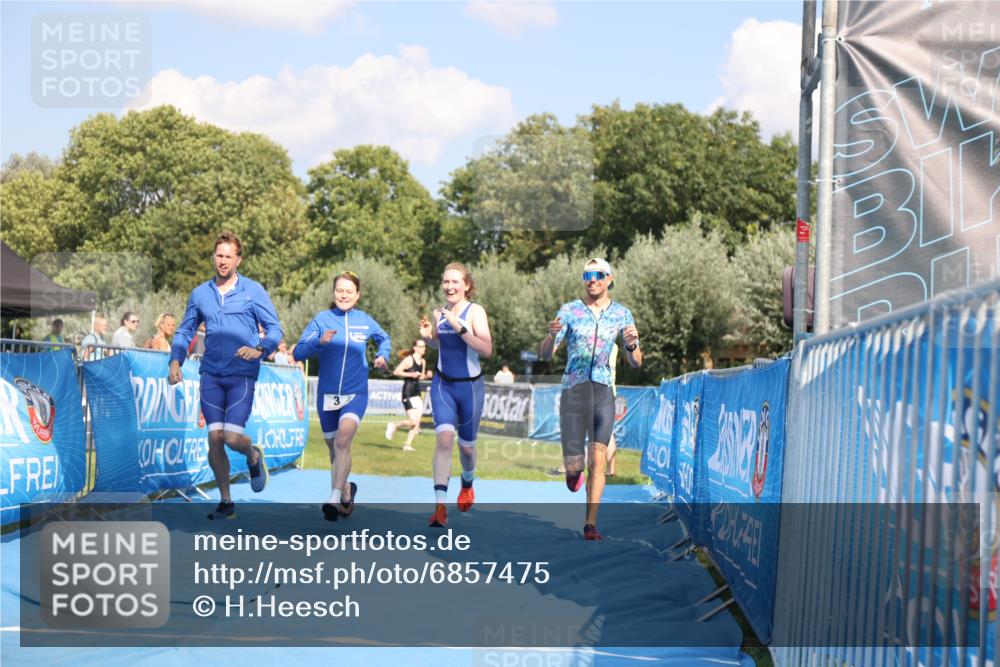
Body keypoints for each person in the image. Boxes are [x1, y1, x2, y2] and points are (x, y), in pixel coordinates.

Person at [168, 231, 282, 520]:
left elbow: (275, 329)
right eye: (219, 255)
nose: (222, 261)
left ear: (238, 259)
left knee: (232, 438)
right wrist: (175, 360)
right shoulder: (200, 294)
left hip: (242, 374)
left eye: (228, 256)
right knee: (215, 438)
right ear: (213, 257)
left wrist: (260, 348)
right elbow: (185, 330)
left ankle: (253, 455)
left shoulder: (253, 291)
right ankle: (226, 501)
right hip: (211, 374)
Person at [539, 258, 642, 541]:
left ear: (610, 279)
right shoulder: (570, 310)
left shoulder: (622, 313)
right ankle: (573, 473)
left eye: (598, 275)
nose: (592, 279)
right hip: (573, 390)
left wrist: (632, 346)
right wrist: (550, 338)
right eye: (587, 275)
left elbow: (636, 362)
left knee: (597, 460)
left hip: (603, 392)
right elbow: (545, 355)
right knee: (575, 464)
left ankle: (590, 524)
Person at [294, 270, 390, 521]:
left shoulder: (365, 320)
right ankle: (347, 490)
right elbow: (298, 352)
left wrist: (383, 356)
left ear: (357, 295)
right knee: (333, 451)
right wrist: (319, 343)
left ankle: (334, 497)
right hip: (326, 395)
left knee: (343, 441)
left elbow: (384, 338)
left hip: (355, 393)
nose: (344, 294)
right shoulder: (322, 320)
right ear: (334, 292)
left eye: (349, 291)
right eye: (340, 290)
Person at [419, 262, 492, 527]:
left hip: (470, 387)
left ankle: (468, 482)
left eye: (455, 282)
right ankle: (440, 506)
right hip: (443, 385)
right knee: (444, 440)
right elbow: (441, 344)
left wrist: (460, 327)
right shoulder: (440, 313)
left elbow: (486, 349)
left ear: (467, 285)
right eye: (445, 282)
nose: (449, 287)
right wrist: (428, 337)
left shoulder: (476, 312)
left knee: (467, 447)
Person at [386, 339, 432, 451]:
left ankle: (407, 445)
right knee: (413, 421)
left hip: (417, 392)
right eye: (421, 346)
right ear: (415, 348)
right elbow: (396, 372)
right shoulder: (408, 360)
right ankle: (394, 425)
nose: (424, 348)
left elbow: (420, 377)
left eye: (424, 346)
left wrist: (426, 376)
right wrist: (410, 374)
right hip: (407, 392)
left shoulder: (423, 361)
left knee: (416, 424)